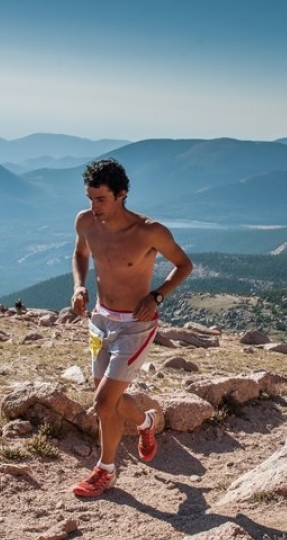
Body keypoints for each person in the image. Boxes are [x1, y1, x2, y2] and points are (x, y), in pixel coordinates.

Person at [70, 158, 193, 498]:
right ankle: (146, 423)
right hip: (100, 321)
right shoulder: (85, 221)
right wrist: (79, 286)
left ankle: (105, 471)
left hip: (135, 326)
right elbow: (80, 254)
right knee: (110, 400)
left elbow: (184, 265)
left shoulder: (149, 231)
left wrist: (157, 295)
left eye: (101, 199)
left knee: (102, 403)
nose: (93, 207)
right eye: (90, 198)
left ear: (121, 195)